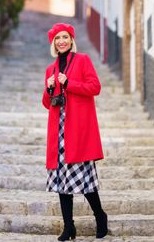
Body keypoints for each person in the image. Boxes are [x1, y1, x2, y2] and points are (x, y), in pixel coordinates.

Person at [42, 23, 108, 241]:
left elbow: (94, 87)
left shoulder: (82, 60)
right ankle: (69, 227)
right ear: (53, 43)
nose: (61, 41)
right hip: (58, 131)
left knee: (85, 180)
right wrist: (49, 88)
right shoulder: (50, 70)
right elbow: (47, 103)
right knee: (62, 182)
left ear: (71, 40)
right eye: (57, 39)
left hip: (77, 131)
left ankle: (100, 216)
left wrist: (69, 82)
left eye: (65, 37)